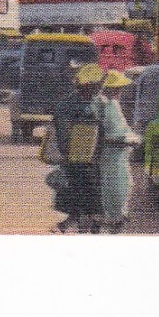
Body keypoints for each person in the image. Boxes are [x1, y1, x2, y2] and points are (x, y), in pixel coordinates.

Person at [48, 63, 104, 234]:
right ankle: (82, 222)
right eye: (96, 86)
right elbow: (63, 133)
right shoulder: (68, 104)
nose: (98, 89)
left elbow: (100, 129)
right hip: (75, 158)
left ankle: (83, 221)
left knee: (87, 189)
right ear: (87, 86)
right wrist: (68, 152)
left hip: (91, 157)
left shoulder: (95, 102)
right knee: (80, 188)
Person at [96, 69, 140, 233]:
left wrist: (131, 137)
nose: (120, 91)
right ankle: (112, 216)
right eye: (117, 88)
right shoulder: (104, 106)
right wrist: (126, 139)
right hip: (110, 153)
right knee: (113, 185)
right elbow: (106, 132)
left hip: (119, 153)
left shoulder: (113, 105)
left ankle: (117, 214)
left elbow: (123, 128)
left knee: (124, 183)